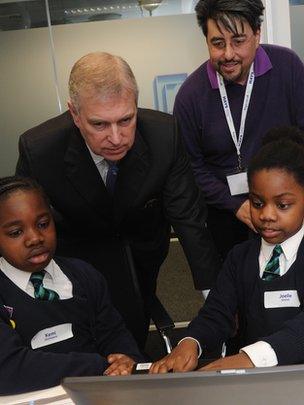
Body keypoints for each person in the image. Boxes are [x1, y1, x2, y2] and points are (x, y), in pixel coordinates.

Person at [15, 52, 220, 348]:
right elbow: (28, 229)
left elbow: (189, 220)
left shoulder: (164, 134)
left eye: (126, 119)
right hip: (77, 261)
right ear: (74, 114)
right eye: (99, 125)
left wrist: (215, 300)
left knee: (133, 341)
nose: (116, 137)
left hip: (142, 256)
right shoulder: (40, 151)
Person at [150, 127, 304, 373]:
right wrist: (191, 342)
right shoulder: (240, 258)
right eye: (257, 203)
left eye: (282, 205)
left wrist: (251, 358)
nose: (266, 215)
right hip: (251, 386)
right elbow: (216, 313)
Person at [174, 0, 304, 260]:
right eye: (218, 43)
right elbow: (191, 167)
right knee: (241, 289)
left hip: (286, 206)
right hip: (225, 214)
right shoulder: (190, 96)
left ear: (257, 34)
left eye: (239, 41)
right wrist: (236, 205)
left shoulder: (287, 67)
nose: (228, 54)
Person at [0, 176, 144, 395]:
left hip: (99, 392)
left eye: (43, 224)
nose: (35, 238)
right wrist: (97, 366)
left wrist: (126, 360)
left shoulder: (83, 275)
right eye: (15, 233)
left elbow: (114, 335)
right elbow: (10, 369)